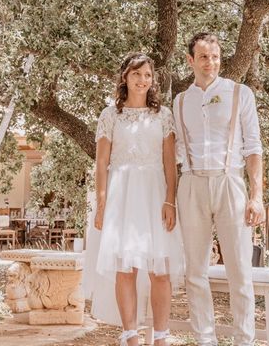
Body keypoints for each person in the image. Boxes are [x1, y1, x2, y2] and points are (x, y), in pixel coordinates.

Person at [174, 32, 264, 346]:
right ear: (190, 60)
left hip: (230, 182)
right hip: (192, 183)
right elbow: (177, 151)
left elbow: (253, 148)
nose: (210, 62)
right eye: (203, 56)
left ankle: (244, 341)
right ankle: (205, 340)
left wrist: (257, 196)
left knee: (239, 269)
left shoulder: (240, 93)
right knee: (195, 272)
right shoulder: (181, 101)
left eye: (215, 56)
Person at [89, 52, 185, 346]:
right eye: (136, 74)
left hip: (155, 194)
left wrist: (170, 200)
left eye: (147, 75)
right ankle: (130, 334)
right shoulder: (110, 116)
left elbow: (170, 164)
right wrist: (102, 205)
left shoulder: (163, 115)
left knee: (160, 269)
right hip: (122, 196)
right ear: (125, 78)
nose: (142, 80)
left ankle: (160, 335)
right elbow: (101, 163)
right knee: (125, 268)